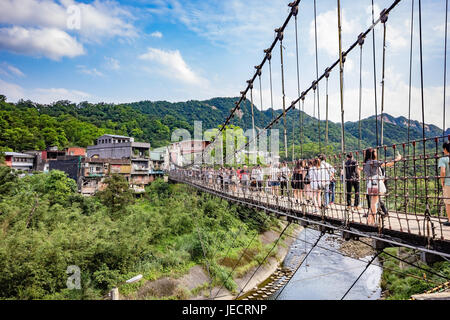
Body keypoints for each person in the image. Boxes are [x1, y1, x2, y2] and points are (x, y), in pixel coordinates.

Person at [363, 148, 401, 225]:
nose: (376, 153)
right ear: (373, 154)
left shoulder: (366, 163)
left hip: (370, 183)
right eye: (375, 152)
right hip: (376, 183)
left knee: (373, 203)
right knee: (374, 203)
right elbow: (388, 164)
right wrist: (397, 159)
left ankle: (370, 221)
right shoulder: (373, 162)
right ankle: (372, 222)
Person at [439, 142, 450, 226]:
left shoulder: (443, 159)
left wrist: (442, 181)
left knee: (448, 202)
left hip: (448, 183)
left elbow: (443, 171)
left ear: (445, 149)